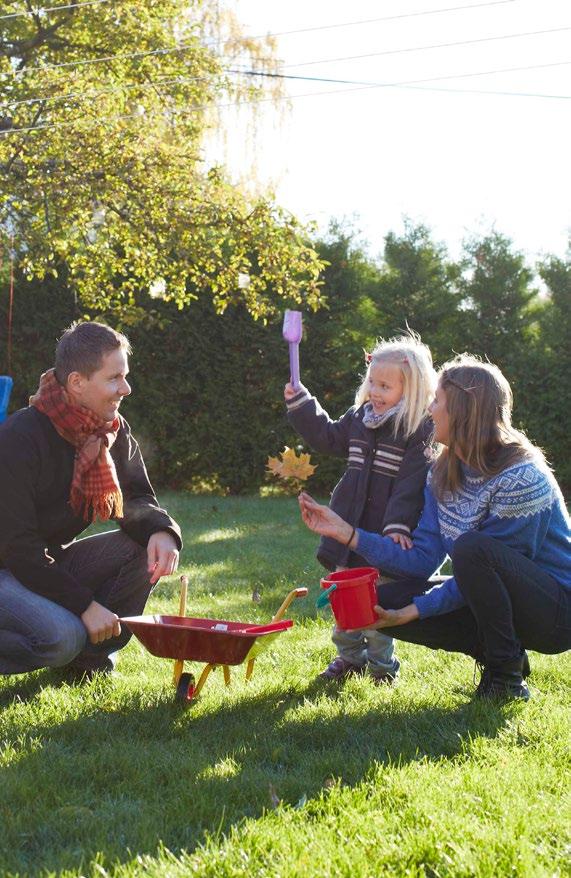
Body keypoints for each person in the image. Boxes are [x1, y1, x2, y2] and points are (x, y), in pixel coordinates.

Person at [299, 355, 571, 701]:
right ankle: (501, 651)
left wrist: (414, 611)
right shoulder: (442, 473)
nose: (429, 409)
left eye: (437, 400)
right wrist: (347, 533)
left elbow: (490, 570)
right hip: (501, 598)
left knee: (473, 550)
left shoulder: (521, 477)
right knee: (382, 598)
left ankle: (506, 678)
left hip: (557, 613)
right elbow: (421, 561)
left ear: (462, 411)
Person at [0, 321, 182, 679]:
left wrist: (162, 531)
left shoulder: (109, 429)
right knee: (63, 636)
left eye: (125, 376)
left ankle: (88, 662)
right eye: (114, 378)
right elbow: (18, 548)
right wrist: (84, 606)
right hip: (9, 564)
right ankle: (73, 649)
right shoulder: (19, 438)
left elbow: (136, 498)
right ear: (77, 383)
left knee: (140, 548)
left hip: (41, 564)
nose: (126, 389)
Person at [285, 332, 436, 683]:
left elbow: (411, 485)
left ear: (410, 390)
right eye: (372, 383)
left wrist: (397, 526)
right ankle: (349, 658)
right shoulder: (359, 418)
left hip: (381, 532)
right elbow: (327, 436)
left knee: (377, 600)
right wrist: (302, 404)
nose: (375, 392)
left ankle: (383, 666)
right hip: (348, 521)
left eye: (386, 386)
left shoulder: (416, 429)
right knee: (343, 597)